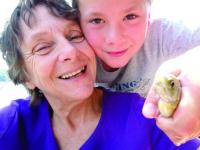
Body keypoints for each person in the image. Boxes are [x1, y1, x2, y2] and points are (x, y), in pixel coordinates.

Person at [0, 0, 200, 149]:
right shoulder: (13, 124)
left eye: (74, 36)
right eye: (43, 47)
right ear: (24, 75)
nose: (69, 51)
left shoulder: (147, 119)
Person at [72, 0, 200, 145]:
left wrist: (196, 67)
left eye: (131, 16)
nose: (115, 38)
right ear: (77, 22)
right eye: (96, 20)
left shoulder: (165, 36)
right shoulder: (72, 53)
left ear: (149, 15)